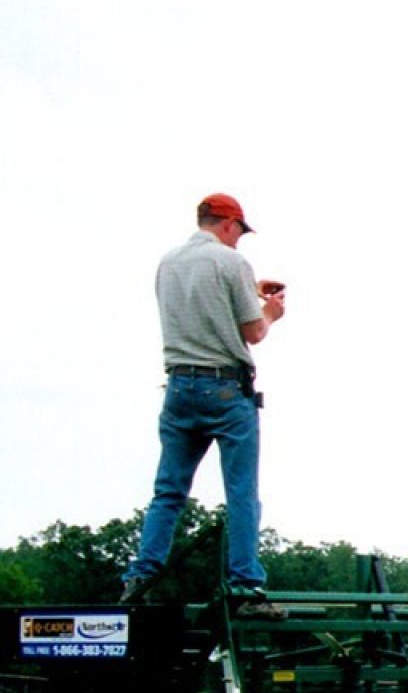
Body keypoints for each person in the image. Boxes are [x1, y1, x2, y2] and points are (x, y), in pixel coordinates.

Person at [120, 193, 287, 616]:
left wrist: (250, 292)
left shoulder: (169, 262)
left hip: (178, 388)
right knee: (241, 494)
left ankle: (140, 578)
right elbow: (252, 332)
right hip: (226, 390)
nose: (239, 242)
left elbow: (204, 304)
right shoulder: (232, 263)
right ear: (229, 225)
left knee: (169, 491)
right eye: (239, 233)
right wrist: (268, 312)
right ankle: (246, 586)